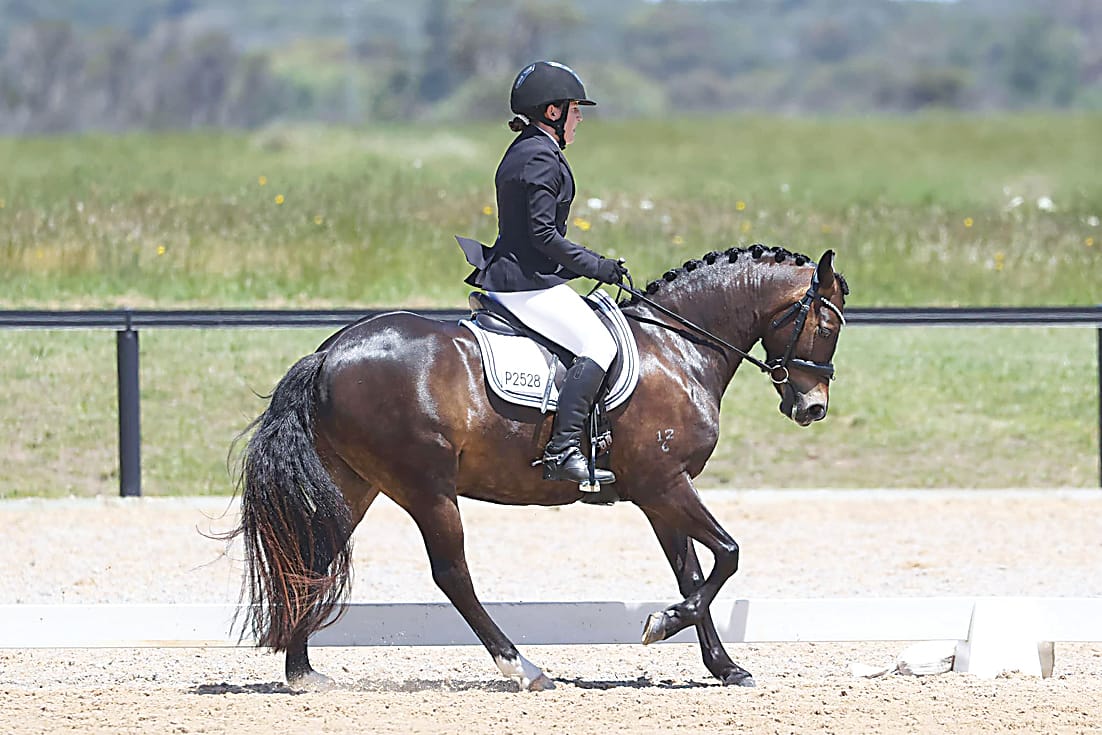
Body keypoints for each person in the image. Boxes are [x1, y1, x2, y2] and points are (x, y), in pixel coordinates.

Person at [463, 61, 627, 488]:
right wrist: (598, 266)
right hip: (523, 281)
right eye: (575, 109)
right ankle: (563, 450)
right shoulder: (538, 156)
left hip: (520, 275)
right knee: (599, 343)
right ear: (552, 112)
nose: (580, 118)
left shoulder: (530, 149)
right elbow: (542, 236)